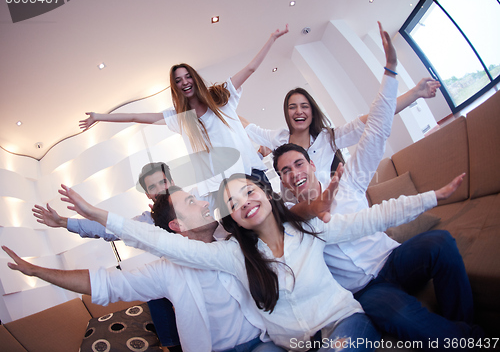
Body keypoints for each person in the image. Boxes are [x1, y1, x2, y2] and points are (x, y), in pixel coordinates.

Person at [53, 170, 463, 351]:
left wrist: (432, 197)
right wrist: (94, 215)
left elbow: (373, 217)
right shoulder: (231, 254)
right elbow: (164, 244)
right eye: (232, 202)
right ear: (230, 217)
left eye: (249, 192)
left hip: (343, 323)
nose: (243, 202)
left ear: (266, 195)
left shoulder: (309, 230)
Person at [4, 186, 286, 352]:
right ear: (178, 227)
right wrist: (38, 271)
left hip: (264, 341)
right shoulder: (165, 270)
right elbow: (106, 284)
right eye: (192, 201)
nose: (204, 203)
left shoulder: (235, 239)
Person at [272, 143, 483, 350]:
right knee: (396, 313)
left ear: (312, 164)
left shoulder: (345, 185)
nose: (294, 173)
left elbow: (380, 213)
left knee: (440, 241)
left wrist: (433, 197)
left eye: (299, 164)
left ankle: (463, 325)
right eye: (286, 171)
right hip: (366, 290)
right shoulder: (289, 221)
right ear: (282, 180)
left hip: (394, 259)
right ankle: (471, 340)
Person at [79, 26, 289, 205]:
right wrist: (99, 116)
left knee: (274, 218)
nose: (184, 82)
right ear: (175, 87)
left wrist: (272, 39)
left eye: (188, 77)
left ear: (195, 78)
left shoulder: (221, 97)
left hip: (251, 173)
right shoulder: (180, 118)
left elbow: (251, 68)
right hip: (223, 188)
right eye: (178, 80)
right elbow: (135, 116)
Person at [242, 22, 440, 189]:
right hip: (298, 214)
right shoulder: (278, 139)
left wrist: (415, 93)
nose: (299, 111)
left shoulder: (329, 138)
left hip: (329, 207)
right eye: (292, 107)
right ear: (287, 113)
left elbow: (378, 115)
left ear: (312, 111)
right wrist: (220, 107)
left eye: (304, 106)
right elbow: (248, 127)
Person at [32, 162, 181, 352]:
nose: (160, 190)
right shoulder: (147, 221)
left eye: (163, 182)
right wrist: (63, 222)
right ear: (147, 194)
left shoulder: (196, 203)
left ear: (172, 181)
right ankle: (174, 347)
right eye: (153, 187)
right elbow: (108, 229)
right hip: (177, 280)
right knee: (154, 293)